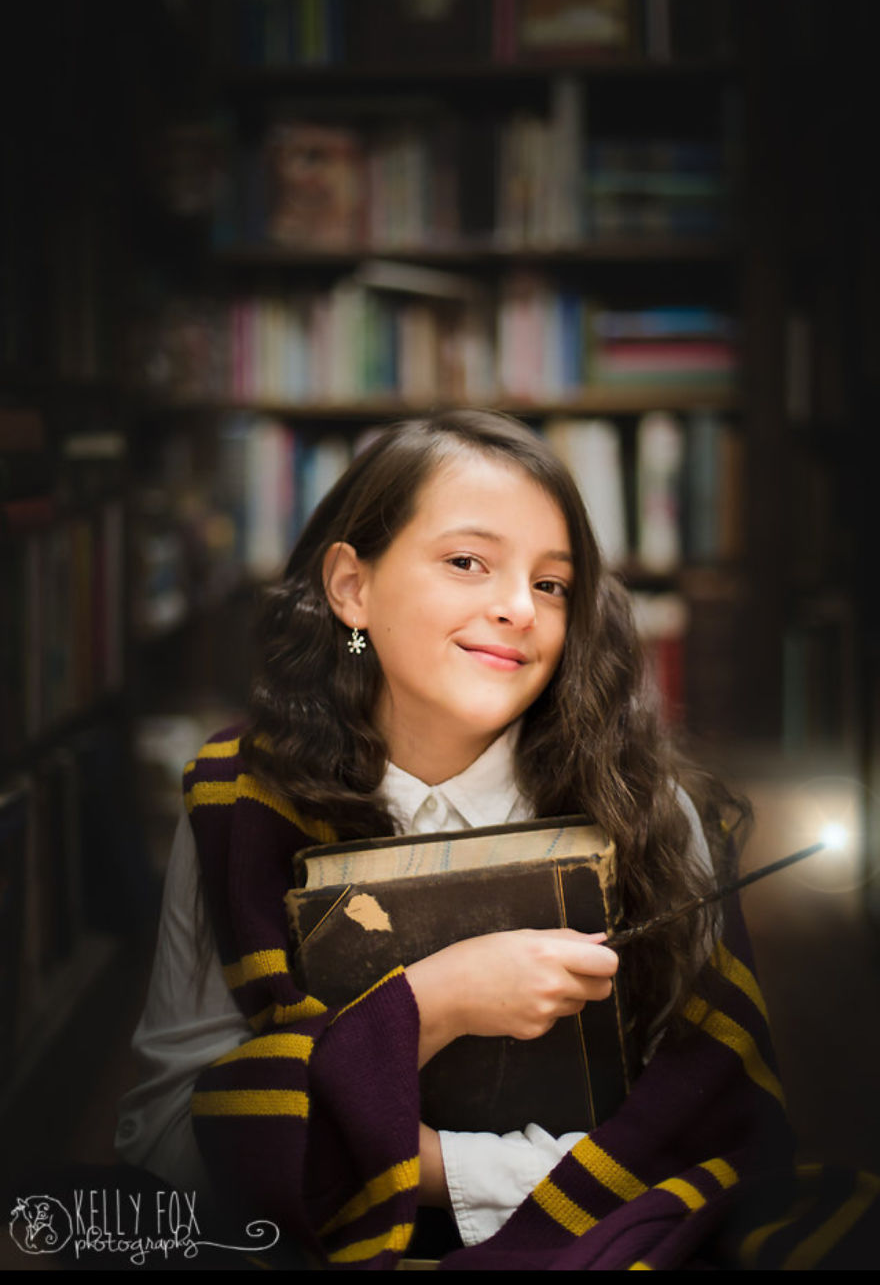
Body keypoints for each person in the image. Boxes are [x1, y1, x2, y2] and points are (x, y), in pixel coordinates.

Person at [116, 408, 856, 1270]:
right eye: (468, 563)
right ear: (351, 587)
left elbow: (721, 1145)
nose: (517, 609)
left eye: (552, 585)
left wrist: (426, 1167)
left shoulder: (646, 807)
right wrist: (431, 1006)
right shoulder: (239, 805)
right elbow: (163, 1143)